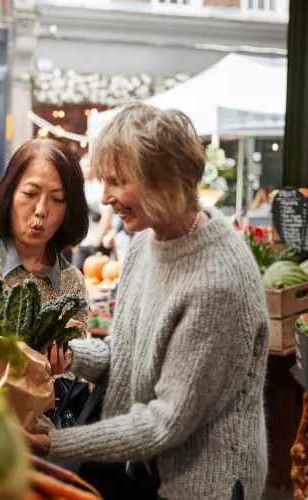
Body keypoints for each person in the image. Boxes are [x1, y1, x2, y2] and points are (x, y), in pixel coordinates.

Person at [27, 102, 269, 500]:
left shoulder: (216, 284)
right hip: (146, 472)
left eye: (118, 181)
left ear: (165, 181)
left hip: (201, 486)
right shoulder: (146, 244)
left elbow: (164, 423)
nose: (104, 198)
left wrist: (53, 444)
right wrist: (60, 351)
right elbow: (124, 354)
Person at [0, 138, 90, 327]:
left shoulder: (73, 283)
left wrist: (68, 355)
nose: (41, 210)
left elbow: (74, 349)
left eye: (57, 199)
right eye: (30, 194)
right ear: (9, 194)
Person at [72, 154, 114, 272]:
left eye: (87, 166)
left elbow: (107, 215)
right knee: (76, 277)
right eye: (82, 166)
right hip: (81, 242)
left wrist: (98, 241)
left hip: (97, 242)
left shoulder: (101, 187)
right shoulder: (79, 187)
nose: (84, 169)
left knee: (98, 278)